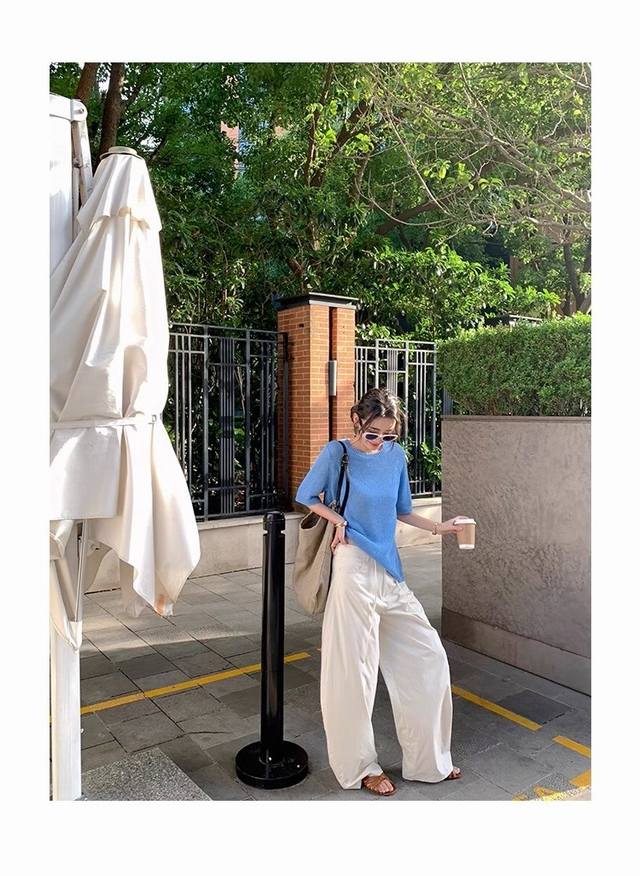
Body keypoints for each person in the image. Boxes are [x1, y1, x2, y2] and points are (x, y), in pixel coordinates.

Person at [294, 387, 467, 797]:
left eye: (389, 435)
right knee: (353, 671)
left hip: (389, 569)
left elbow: (402, 510)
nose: (380, 442)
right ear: (357, 421)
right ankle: (359, 768)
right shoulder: (337, 453)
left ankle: (429, 762)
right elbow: (305, 495)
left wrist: (441, 527)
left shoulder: (395, 457)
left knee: (428, 657)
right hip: (351, 563)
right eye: (373, 434)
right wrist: (338, 521)